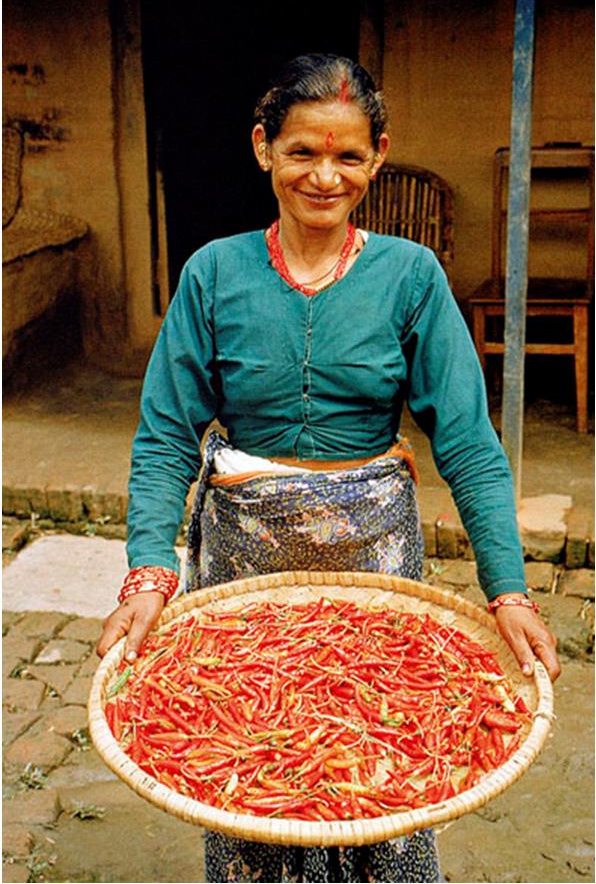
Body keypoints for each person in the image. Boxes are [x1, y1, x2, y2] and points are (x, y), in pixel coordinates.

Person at [98, 53, 560, 883]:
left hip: (373, 557)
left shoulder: (411, 278)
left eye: (348, 156)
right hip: (245, 556)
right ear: (262, 149)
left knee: (382, 768)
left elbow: (466, 442)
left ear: (377, 157)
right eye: (303, 150)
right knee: (250, 766)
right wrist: (147, 571)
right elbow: (166, 435)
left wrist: (509, 590)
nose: (325, 175)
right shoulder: (213, 273)